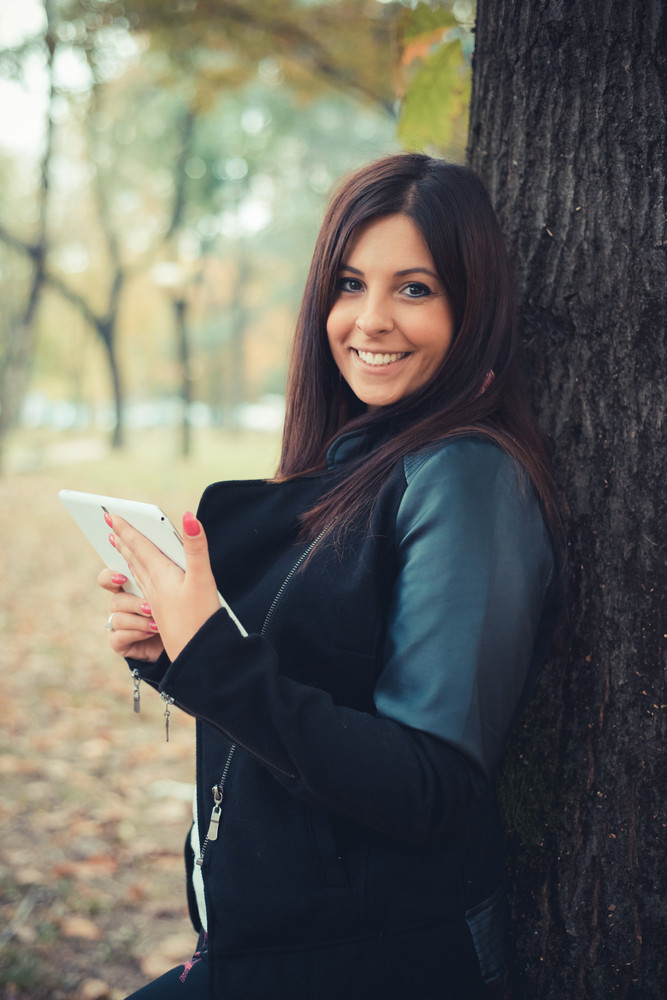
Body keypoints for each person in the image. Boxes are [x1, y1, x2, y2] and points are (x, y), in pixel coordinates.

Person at [99, 153, 562, 1000]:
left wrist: (215, 655)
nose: (370, 320)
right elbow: (310, 686)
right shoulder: (356, 467)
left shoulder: (464, 478)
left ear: (474, 306)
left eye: (414, 289)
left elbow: (430, 784)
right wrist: (179, 652)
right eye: (349, 285)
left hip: (377, 961)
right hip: (257, 950)